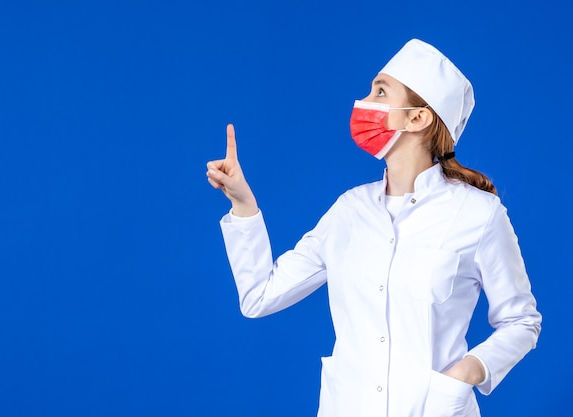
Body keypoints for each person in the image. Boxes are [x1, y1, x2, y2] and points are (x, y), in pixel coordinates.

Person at [206, 39, 541, 417]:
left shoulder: (479, 214)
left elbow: (521, 321)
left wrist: (465, 374)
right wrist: (243, 203)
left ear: (418, 118)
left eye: (380, 91)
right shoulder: (350, 210)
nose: (364, 102)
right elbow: (259, 297)